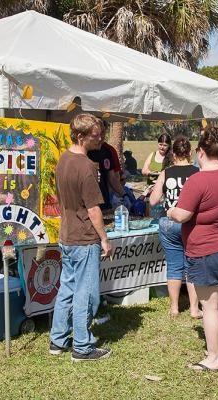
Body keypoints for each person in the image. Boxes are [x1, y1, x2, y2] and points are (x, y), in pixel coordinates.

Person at [167, 127, 218, 371]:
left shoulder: (198, 180)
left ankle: (212, 358)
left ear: (201, 152)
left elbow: (182, 214)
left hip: (207, 250)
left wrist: (170, 211)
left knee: (209, 306)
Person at [49, 113, 112, 362]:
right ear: (81, 136)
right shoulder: (86, 166)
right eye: (96, 135)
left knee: (67, 288)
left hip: (67, 234)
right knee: (85, 293)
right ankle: (82, 347)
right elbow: (94, 209)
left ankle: (58, 340)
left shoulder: (63, 159)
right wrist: (105, 239)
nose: (100, 139)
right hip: (84, 237)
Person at [149, 136, 201, 318]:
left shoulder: (166, 172)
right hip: (190, 223)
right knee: (192, 265)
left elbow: (153, 200)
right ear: (189, 152)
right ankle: (194, 309)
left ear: (173, 153)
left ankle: (174, 308)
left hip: (169, 222)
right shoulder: (197, 172)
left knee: (174, 265)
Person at [87, 135, 127, 210]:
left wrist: (124, 195)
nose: (100, 138)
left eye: (102, 133)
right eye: (96, 134)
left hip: (104, 201)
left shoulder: (108, 151)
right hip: (85, 205)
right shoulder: (82, 153)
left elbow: (113, 178)